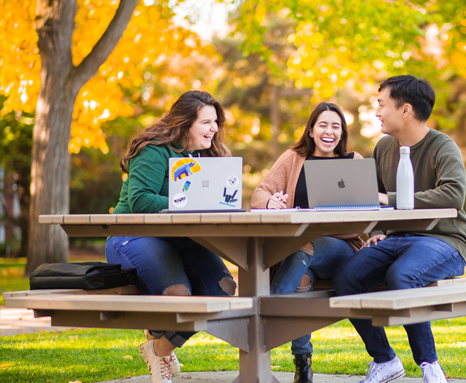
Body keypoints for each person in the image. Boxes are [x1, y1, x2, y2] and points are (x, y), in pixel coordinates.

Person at [332, 75, 466, 383]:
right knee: (346, 277)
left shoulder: (442, 146)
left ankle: (429, 365)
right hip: (398, 238)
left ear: (405, 110)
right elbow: (374, 201)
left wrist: (389, 200)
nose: (377, 112)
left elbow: (452, 194)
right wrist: (378, 229)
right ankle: (385, 360)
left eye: (382, 105)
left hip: (444, 239)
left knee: (402, 275)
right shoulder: (384, 147)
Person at [105, 91, 237, 383]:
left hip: (184, 240)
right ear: (186, 122)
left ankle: (158, 347)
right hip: (135, 236)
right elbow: (139, 200)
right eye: (206, 122)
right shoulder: (154, 149)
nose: (214, 128)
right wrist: (186, 201)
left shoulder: (208, 157)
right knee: (179, 295)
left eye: (215, 121)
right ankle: (159, 343)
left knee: (224, 290)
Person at [251, 102, 364, 383]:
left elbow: (371, 204)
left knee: (306, 245)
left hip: (341, 249)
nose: (329, 131)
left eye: (336, 126)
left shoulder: (353, 161)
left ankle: (267, 313)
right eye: (323, 125)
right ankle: (303, 364)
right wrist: (270, 201)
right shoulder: (293, 158)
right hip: (299, 255)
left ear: (342, 132)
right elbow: (259, 193)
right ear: (311, 130)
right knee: (300, 282)